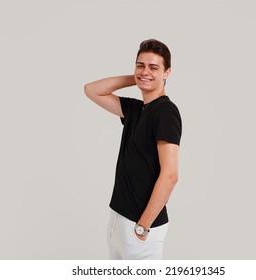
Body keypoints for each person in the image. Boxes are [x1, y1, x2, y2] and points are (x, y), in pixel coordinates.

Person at [84, 39, 182, 260]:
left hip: (141, 228)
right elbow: (91, 90)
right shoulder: (136, 110)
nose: (145, 71)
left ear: (167, 72)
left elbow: (170, 175)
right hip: (119, 220)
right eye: (140, 65)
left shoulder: (165, 112)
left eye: (154, 67)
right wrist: (139, 78)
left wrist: (143, 227)